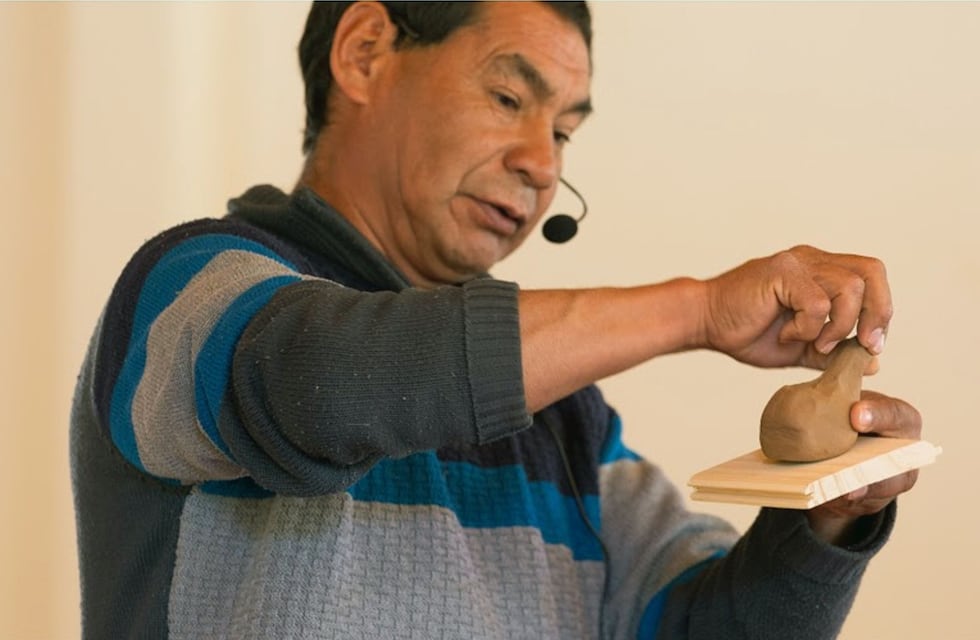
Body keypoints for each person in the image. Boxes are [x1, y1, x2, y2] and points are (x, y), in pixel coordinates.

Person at [70, 2, 922, 638]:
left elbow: (698, 625)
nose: (543, 165)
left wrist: (827, 514)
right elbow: (317, 382)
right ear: (365, 53)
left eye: (565, 133)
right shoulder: (189, 288)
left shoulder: (568, 421)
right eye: (511, 97)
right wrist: (698, 308)